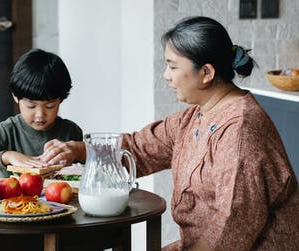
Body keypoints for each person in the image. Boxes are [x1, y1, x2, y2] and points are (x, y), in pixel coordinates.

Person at [39, 16, 299, 250]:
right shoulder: (196, 116)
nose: (166, 75)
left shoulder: (240, 131)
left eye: (173, 67)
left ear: (206, 73)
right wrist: (79, 150)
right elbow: (140, 148)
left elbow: (229, 233)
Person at [0, 48, 83, 177]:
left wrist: (78, 150)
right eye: (31, 106)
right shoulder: (7, 131)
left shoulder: (70, 131)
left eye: (50, 106)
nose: (40, 114)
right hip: (15, 196)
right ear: (16, 97)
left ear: (61, 99)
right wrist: (7, 156)